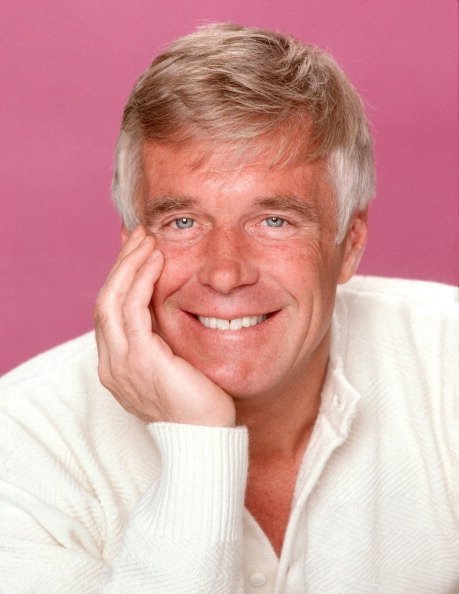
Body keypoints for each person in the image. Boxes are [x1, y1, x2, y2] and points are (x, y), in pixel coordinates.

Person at [0, 23, 457, 593]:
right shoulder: (19, 444)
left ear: (349, 243)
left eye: (274, 221)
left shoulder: (448, 363)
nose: (225, 272)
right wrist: (197, 446)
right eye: (183, 222)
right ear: (129, 245)